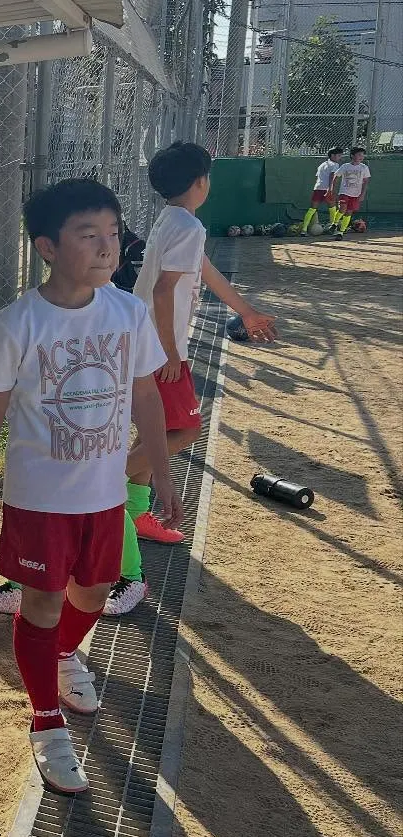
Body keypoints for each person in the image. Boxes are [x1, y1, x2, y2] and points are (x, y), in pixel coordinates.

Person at [0, 178, 182, 795]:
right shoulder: (16, 323)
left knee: (91, 596)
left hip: (104, 494)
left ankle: (60, 656)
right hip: (40, 497)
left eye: (112, 235)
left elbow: (145, 391)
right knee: (41, 600)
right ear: (48, 247)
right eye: (89, 236)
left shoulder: (127, 311)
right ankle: (45, 721)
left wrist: (161, 470)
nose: (106, 248)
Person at [128, 142, 277, 549]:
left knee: (154, 431)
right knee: (186, 430)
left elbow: (206, 273)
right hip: (158, 350)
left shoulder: (176, 219)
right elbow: (163, 290)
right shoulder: (187, 227)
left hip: (151, 345)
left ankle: (134, 514)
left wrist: (246, 312)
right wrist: (171, 353)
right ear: (200, 182)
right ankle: (101, 486)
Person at [301, 147, 344, 235]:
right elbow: (332, 177)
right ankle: (333, 229)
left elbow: (318, 177)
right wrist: (330, 190)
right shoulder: (335, 165)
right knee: (332, 208)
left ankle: (304, 230)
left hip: (317, 188)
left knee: (312, 209)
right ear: (333, 155)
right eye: (339, 155)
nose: (340, 158)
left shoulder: (322, 164)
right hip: (327, 189)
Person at [331, 147, 370, 239]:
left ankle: (340, 233)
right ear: (352, 156)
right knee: (342, 209)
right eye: (359, 155)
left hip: (356, 194)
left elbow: (366, 182)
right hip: (344, 192)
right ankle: (334, 224)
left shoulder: (364, 167)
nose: (361, 157)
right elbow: (336, 176)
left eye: (362, 155)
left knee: (349, 212)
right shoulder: (345, 166)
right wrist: (332, 189)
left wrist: (362, 194)